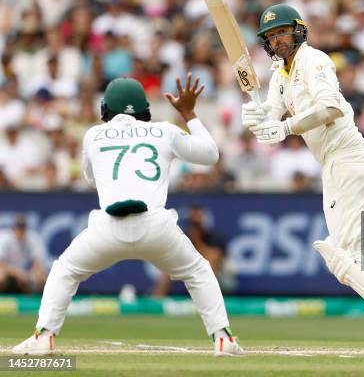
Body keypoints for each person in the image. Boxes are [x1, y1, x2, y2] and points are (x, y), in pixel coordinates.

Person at [242, 4, 364, 353]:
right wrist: (256, 118)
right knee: (357, 252)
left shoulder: (314, 62)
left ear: (298, 31)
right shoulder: (280, 74)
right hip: (335, 163)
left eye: (281, 32)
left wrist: (284, 126)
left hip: (349, 158)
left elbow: (332, 108)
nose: (276, 40)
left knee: (340, 254)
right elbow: (270, 120)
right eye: (270, 36)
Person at [13, 75, 244, 356]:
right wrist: (189, 114)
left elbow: (91, 178)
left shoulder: (92, 135)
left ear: (105, 110)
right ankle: (223, 340)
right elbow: (210, 155)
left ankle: (43, 336)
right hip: (157, 226)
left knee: (65, 270)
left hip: (109, 225)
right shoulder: (164, 130)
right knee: (198, 271)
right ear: (145, 109)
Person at [0, 215, 48, 293]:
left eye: (22, 228)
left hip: (25, 273)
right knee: (1, 276)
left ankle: (34, 302)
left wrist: (34, 274)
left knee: (42, 277)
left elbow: (38, 265)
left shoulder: (32, 238)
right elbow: (1, 265)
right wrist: (17, 273)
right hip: (8, 272)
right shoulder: (4, 238)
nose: (20, 230)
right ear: (13, 228)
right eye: (18, 227)